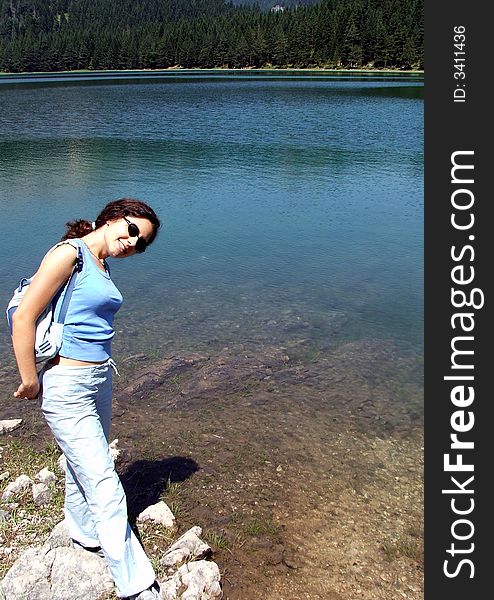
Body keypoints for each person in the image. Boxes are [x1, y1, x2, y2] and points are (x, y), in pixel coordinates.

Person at [11, 198, 162, 600]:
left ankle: (83, 535)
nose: (133, 243)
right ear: (112, 218)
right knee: (105, 482)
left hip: (98, 381)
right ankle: (136, 585)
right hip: (67, 385)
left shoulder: (101, 264)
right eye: (131, 230)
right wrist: (28, 378)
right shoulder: (69, 254)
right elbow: (25, 315)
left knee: (84, 469)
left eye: (141, 243)